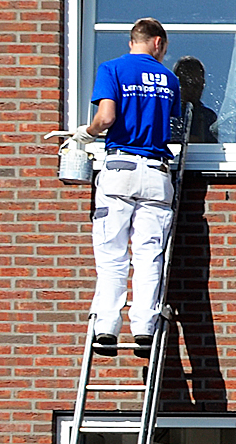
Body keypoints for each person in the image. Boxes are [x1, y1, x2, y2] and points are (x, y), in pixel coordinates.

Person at [63, 18, 180, 358]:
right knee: (148, 255)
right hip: (157, 174)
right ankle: (144, 328)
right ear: (158, 43)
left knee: (112, 255)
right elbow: (170, 126)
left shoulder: (112, 69)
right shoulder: (170, 79)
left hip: (119, 169)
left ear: (133, 42)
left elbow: (107, 118)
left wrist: (85, 133)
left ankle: (107, 329)